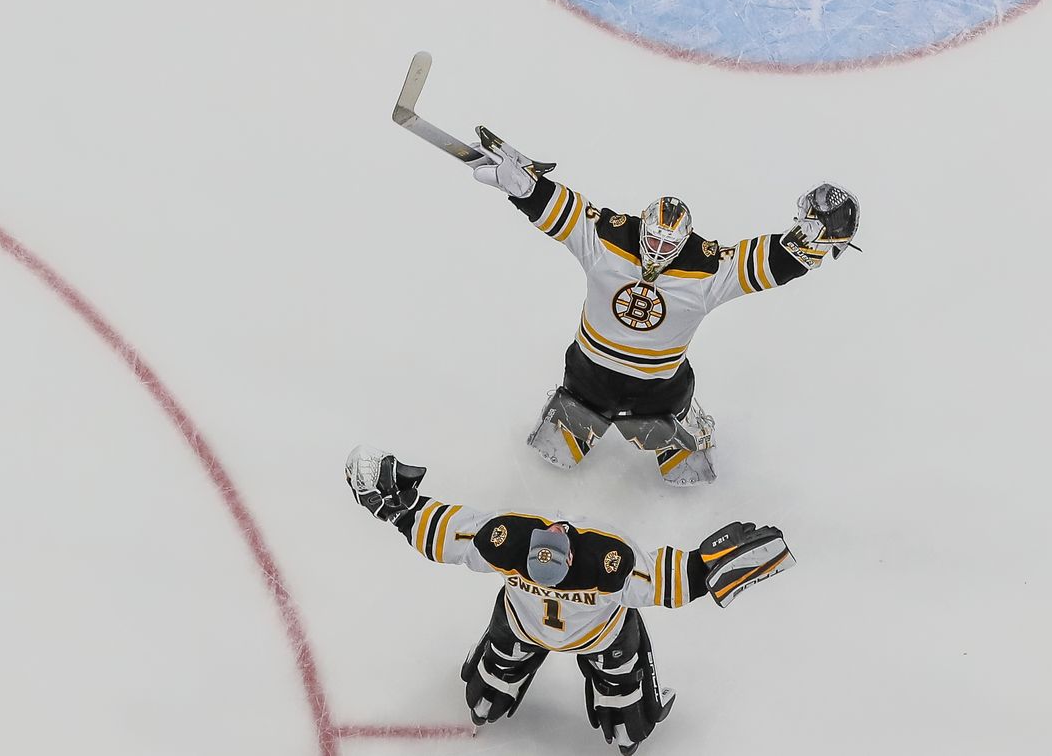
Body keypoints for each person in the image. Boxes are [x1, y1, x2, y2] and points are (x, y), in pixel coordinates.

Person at [468, 127, 860, 484]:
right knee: (667, 432)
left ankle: (586, 426)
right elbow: (564, 213)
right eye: (653, 241)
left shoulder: (671, 260)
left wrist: (808, 240)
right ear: (642, 229)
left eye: (667, 245)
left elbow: (765, 263)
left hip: (626, 386)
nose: (657, 251)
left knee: (662, 448)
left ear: (684, 242)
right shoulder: (671, 260)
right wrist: (528, 190)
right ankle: (650, 432)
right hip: (617, 384)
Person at [345, 445, 795, 754]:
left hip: (523, 626)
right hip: (598, 637)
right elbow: (671, 581)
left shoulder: (504, 544)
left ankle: (487, 700)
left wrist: (394, 507)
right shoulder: (608, 564)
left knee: (500, 661)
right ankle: (626, 731)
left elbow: (438, 533)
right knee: (622, 684)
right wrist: (714, 566)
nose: (557, 528)